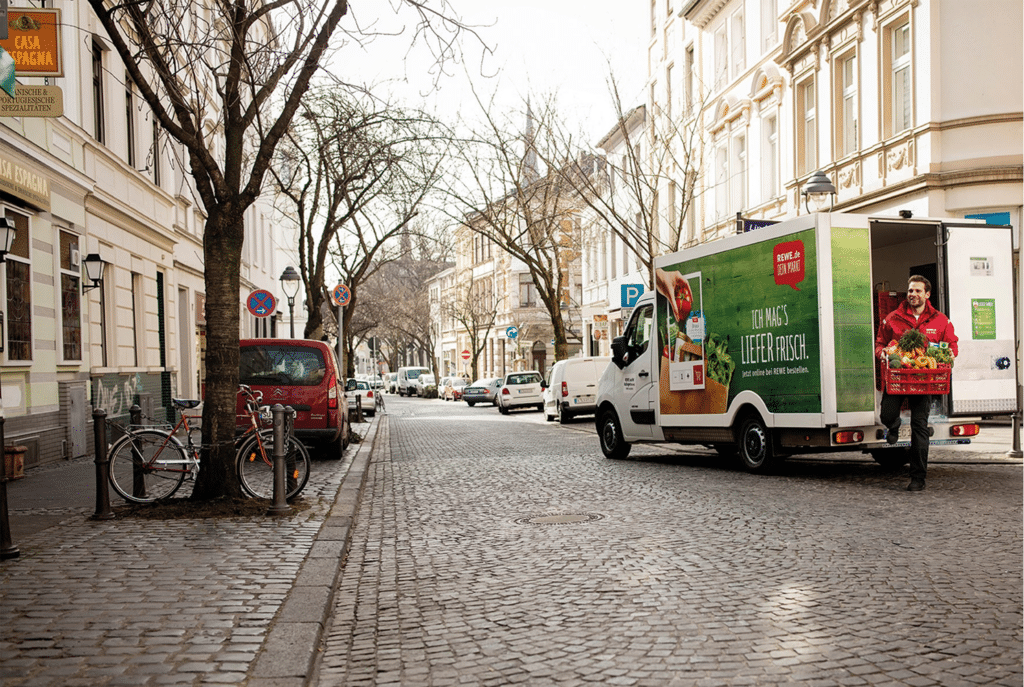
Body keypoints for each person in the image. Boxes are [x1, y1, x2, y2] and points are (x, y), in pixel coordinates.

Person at [874, 275, 958, 492]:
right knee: (886, 414)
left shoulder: (940, 320)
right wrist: (881, 353)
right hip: (898, 380)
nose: (913, 294)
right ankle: (893, 426)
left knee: (919, 427)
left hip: (924, 382)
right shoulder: (893, 318)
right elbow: (880, 343)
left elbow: (952, 344)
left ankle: (918, 478)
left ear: (927, 294)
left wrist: (949, 353)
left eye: (918, 291)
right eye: (911, 291)